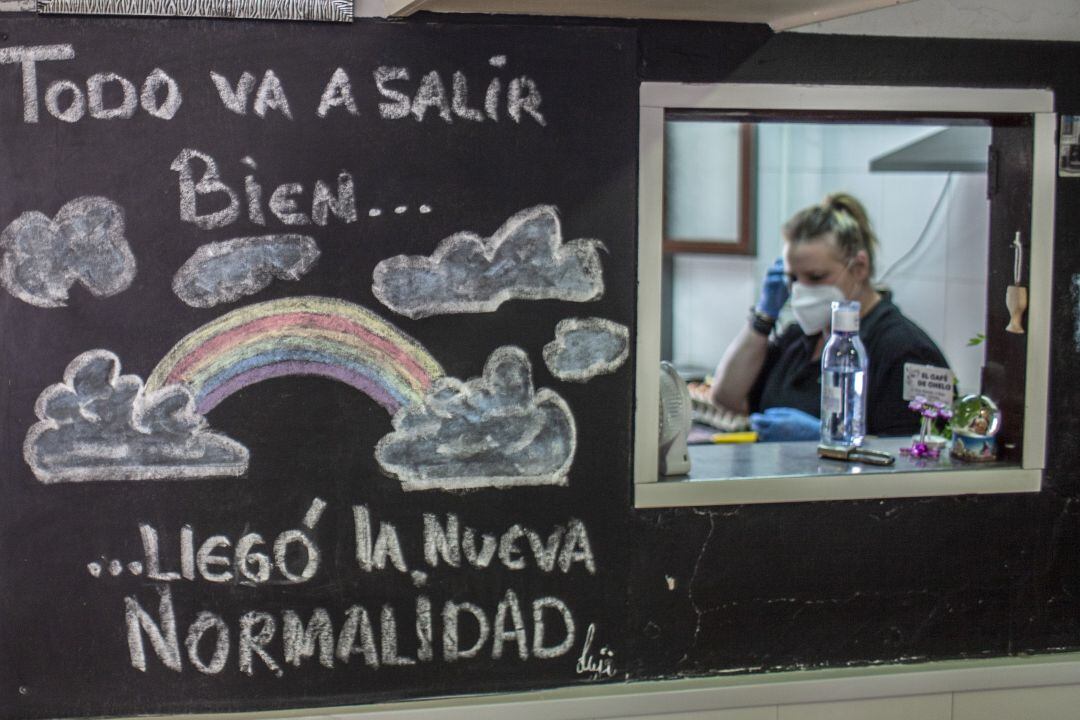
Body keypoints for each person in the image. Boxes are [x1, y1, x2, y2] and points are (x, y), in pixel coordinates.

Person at [709, 193, 949, 442]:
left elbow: (917, 453)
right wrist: (763, 319)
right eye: (792, 279)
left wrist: (828, 437)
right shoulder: (800, 339)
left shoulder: (905, 350)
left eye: (815, 277)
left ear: (859, 268)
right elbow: (726, 397)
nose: (800, 291)